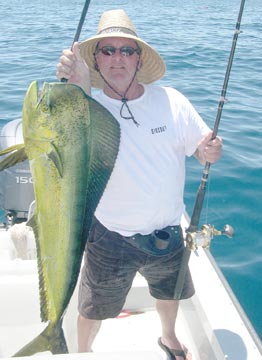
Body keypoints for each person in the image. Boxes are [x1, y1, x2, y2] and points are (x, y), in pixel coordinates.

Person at [56, 9, 222, 360]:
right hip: (109, 235)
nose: (118, 58)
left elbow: (203, 147)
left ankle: (168, 337)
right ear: (96, 61)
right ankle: (83, 352)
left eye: (126, 50)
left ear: (139, 58)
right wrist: (73, 84)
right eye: (108, 50)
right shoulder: (89, 106)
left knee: (169, 294)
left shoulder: (171, 101)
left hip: (167, 233)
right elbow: (64, 128)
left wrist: (210, 150)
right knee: (93, 306)